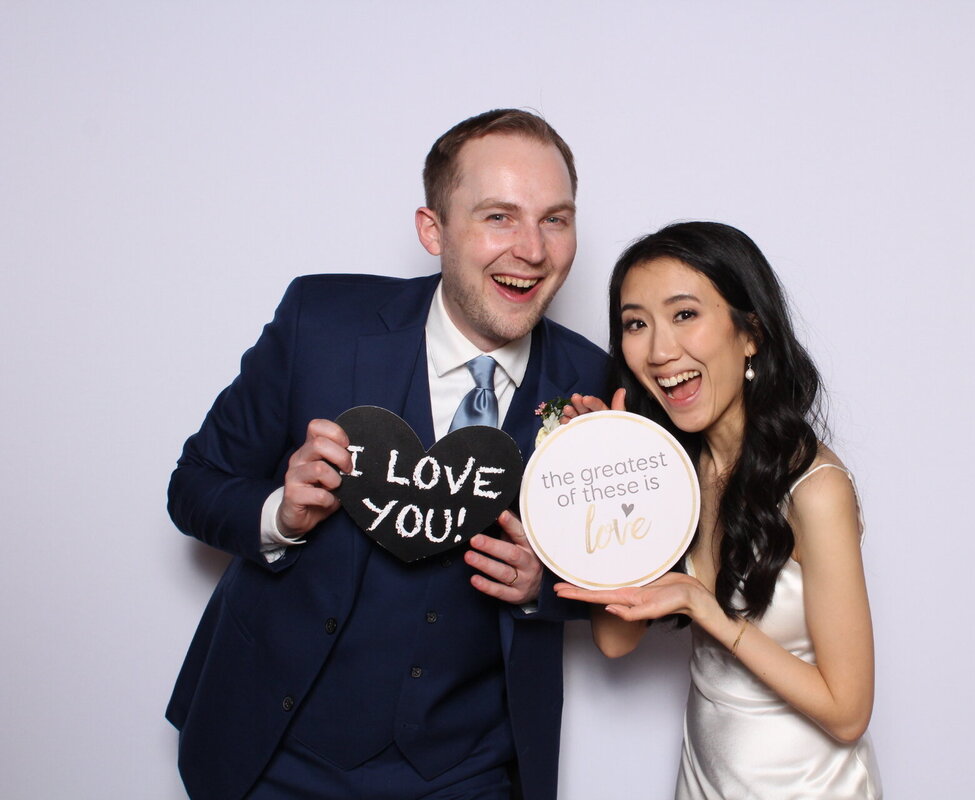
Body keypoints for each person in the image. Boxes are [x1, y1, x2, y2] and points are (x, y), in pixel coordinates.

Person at [166, 109, 608, 800]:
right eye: (499, 217)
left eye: (555, 219)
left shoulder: (593, 386)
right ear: (433, 230)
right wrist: (279, 515)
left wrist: (543, 585)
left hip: (468, 770)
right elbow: (193, 486)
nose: (532, 248)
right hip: (278, 752)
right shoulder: (320, 323)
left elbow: (635, 574)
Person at [555, 221, 882, 798]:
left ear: (749, 332)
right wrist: (605, 484)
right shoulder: (674, 471)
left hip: (804, 787)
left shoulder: (815, 489)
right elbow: (614, 641)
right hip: (705, 780)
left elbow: (847, 712)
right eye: (636, 323)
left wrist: (705, 610)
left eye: (685, 315)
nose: (659, 351)